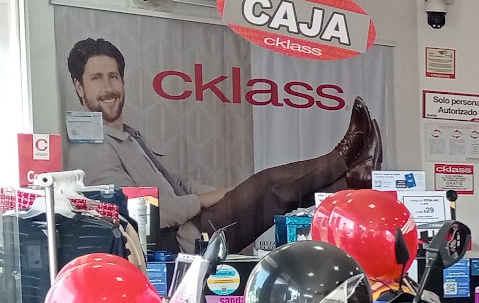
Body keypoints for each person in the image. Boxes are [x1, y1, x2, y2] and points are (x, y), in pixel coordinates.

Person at [64, 37, 381, 252]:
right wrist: (208, 200)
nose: (108, 87)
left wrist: (229, 195)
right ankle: (343, 157)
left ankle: (350, 181)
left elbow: (179, 183)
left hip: (191, 225)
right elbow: (143, 212)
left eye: (113, 76)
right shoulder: (90, 148)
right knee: (267, 186)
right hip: (182, 244)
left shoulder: (130, 136)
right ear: (79, 87)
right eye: (96, 78)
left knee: (269, 195)